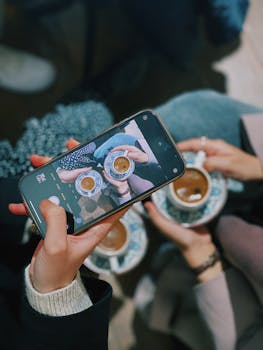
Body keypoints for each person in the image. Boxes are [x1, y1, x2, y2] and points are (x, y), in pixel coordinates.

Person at [134, 90, 263, 349]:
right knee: (185, 117)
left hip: (230, 274)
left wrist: (201, 253)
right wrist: (258, 166)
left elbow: (246, 338)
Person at [0, 142, 127, 350]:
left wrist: (28, 215)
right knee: (93, 117)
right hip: (26, 302)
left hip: (25, 231)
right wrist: (55, 295)